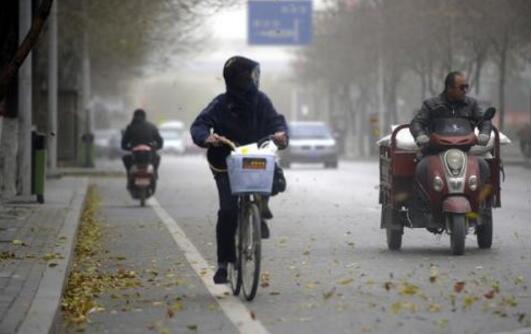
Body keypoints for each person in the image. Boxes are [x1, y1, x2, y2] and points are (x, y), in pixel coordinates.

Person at [190, 56, 288, 284]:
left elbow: (276, 122)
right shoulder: (220, 104)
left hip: (254, 157)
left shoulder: (261, 101)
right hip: (225, 163)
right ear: (239, 78)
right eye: (250, 76)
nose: (254, 80)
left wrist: (281, 134)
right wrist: (207, 137)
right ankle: (224, 263)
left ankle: (260, 208)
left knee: (273, 177)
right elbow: (199, 124)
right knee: (228, 211)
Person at [410, 71, 492, 184]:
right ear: (449, 88)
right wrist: (420, 135)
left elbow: (484, 121)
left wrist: (484, 133)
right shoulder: (431, 105)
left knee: (483, 167)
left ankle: (480, 201)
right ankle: (424, 201)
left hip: (464, 153)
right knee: (421, 169)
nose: (465, 90)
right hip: (435, 152)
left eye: (466, 87)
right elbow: (417, 122)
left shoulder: (472, 104)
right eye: (462, 87)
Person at [121, 108, 163, 185]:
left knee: (125, 158)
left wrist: (130, 148)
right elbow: (160, 141)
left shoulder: (130, 127)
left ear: (134, 116)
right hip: (149, 157)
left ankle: (129, 175)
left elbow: (123, 144)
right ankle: (155, 173)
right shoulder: (151, 127)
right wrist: (155, 148)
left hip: (135, 158)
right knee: (157, 157)